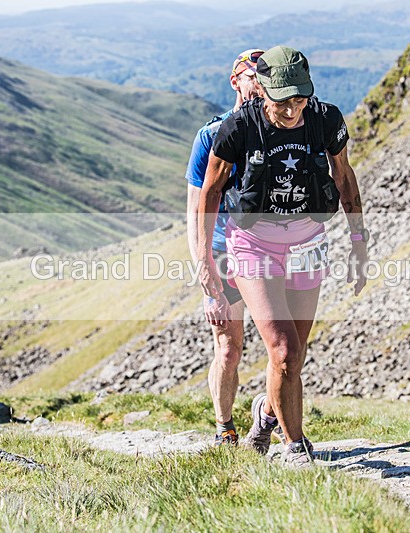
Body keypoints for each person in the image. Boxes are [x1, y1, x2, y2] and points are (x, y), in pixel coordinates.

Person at [197, 46, 369, 465]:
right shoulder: (238, 127)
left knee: (294, 354)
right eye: (282, 101)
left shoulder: (326, 119)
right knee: (284, 349)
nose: (292, 110)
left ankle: (264, 417)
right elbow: (210, 194)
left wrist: (358, 243)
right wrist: (205, 261)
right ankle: (295, 448)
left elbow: (344, 177)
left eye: (300, 99)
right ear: (264, 90)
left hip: (309, 240)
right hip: (253, 244)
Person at [186, 48, 265, 445]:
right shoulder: (210, 135)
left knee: (280, 345)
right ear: (235, 81)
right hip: (222, 253)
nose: (260, 85)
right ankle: (224, 428)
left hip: (267, 252)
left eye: (267, 78)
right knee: (229, 348)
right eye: (253, 77)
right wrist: (206, 280)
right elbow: (194, 213)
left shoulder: (280, 131)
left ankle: (269, 419)